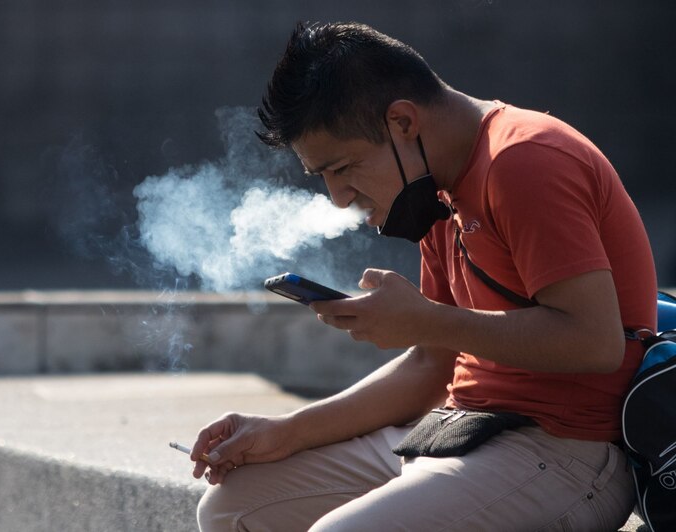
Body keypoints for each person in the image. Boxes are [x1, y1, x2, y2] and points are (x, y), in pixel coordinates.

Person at [189, 21, 657, 531]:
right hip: (462, 430)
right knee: (232, 507)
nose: (338, 197)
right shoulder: (437, 185)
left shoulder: (524, 160)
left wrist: (428, 321)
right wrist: (288, 431)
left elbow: (595, 342)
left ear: (403, 122)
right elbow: (431, 366)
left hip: (567, 451)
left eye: (342, 168)